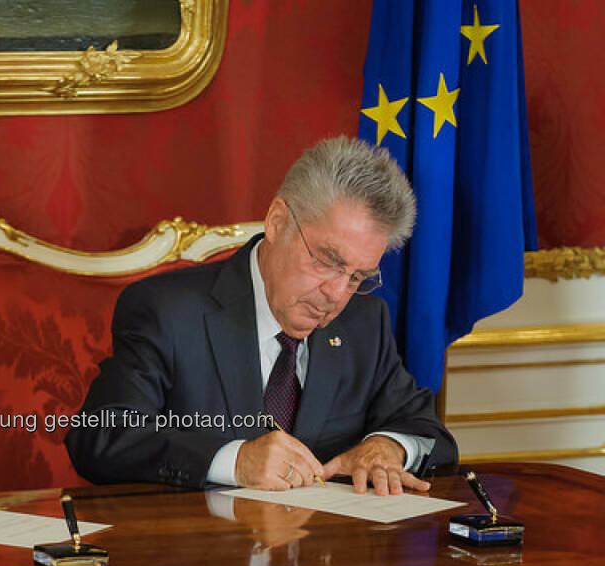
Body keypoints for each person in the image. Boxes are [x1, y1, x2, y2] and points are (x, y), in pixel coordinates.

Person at [66, 137, 457, 496]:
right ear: (276, 222)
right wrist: (234, 461)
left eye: (357, 277)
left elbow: (428, 432)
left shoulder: (364, 322)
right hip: (202, 561)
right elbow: (100, 436)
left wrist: (389, 447)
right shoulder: (168, 312)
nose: (337, 295)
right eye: (326, 261)